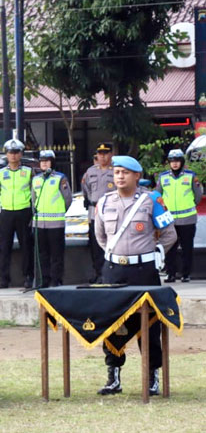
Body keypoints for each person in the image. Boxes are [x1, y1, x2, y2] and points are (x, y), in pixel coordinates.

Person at [94, 155, 176, 396]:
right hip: (113, 271)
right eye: (116, 172)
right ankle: (113, 377)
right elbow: (101, 237)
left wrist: (158, 252)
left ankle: (152, 376)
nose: (120, 176)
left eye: (125, 172)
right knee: (111, 323)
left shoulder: (152, 200)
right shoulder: (105, 202)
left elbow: (169, 233)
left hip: (144, 272)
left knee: (149, 324)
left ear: (137, 176)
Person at [155, 149, 202, 283]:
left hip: (187, 218)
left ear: (182, 162)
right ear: (169, 162)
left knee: (187, 248)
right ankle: (171, 273)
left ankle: (186, 274)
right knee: (170, 248)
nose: (175, 164)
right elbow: (158, 196)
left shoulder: (191, 176)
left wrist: (189, 205)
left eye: (177, 161)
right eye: (172, 161)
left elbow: (198, 195)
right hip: (169, 219)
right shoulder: (163, 177)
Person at [0, 139, 34, 289]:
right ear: (6, 154)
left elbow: (32, 190)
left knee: (26, 246)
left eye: (16, 152)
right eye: (11, 152)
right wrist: (3, 206)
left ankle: (28, 277)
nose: (13, 155)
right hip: (7, 213)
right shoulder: (0, 172)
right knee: (4, 246)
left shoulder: (29, 172)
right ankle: (4, 278)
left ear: (21, 154)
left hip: (24, 211)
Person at [31, 150, 72, 287]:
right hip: (39, 224)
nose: (44, 163)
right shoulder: (36, 179)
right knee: (42, 254)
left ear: (52, 163)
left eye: (47, 161)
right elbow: (33, 199)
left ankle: (56, 280)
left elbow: (68, 199)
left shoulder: (60, 178)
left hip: (56, 223)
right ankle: (44, 280)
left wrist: (60, 211)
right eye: (42, 161)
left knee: (56, 254)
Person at [81, 142, 115, 283]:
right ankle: (98, 273)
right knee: (95, 244)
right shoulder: (90, 172)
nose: (102, 156)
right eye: (100, 154)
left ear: (111, 154)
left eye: (105, 153)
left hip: (111, 211)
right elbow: (85, 189)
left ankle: (110, 273)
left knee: (111, 243)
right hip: (94, 211)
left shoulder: (116, 171)